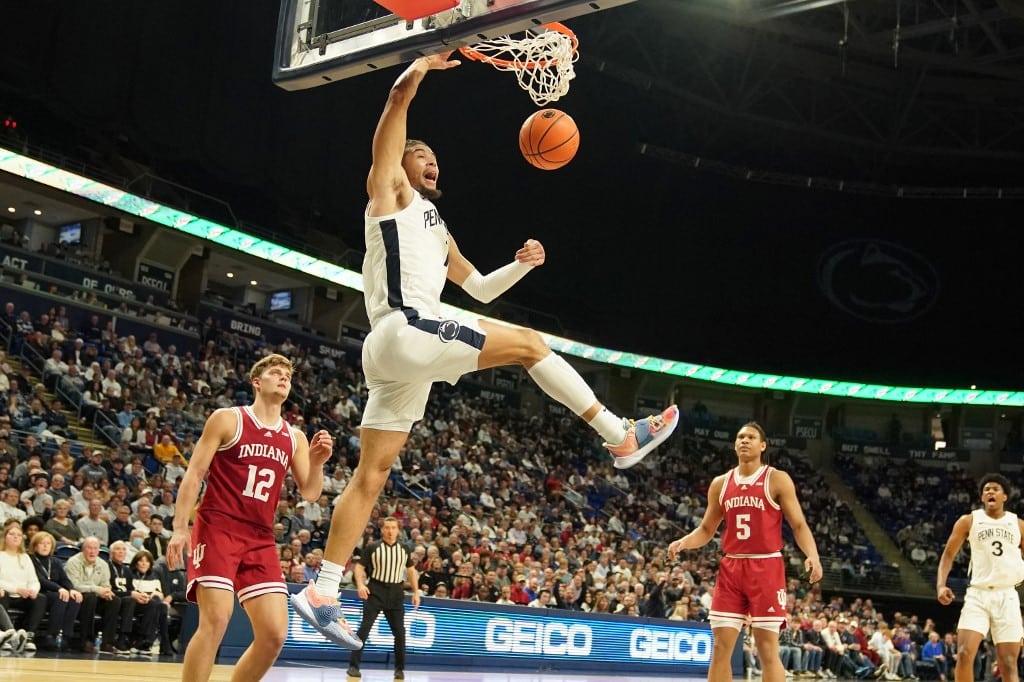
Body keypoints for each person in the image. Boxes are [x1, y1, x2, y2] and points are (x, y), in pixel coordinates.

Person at [291, 50, 679, 648]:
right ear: (403, 163)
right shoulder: (388, 191)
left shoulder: (438, 228)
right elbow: (395, 102)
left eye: (433, 158)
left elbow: (476, 288)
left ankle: (322, 588)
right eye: (421, 154)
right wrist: (420, 66)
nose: (430, 162)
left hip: (399, 347)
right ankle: (620, 436)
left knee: (373, 474)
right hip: (404, 326)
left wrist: (519, 267)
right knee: (530, 344)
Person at [166, 353, 333, 682]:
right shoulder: (228, 419)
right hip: (218, 526)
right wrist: (179, 527)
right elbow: (195, 473)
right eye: (275, 372)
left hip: (260, 536)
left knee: (274, 634)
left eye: (288, 374)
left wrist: (318, 462)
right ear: (257, 382)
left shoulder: (293, 437)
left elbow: (311, 493)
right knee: (216, 618)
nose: (284, 377)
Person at [667, 422, 822, 682]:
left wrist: (813, 555)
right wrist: (683, 542)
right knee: (720, 648)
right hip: (732, 568)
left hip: (766, 567)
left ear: (762, 446)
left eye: (751, 437)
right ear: (734, 444)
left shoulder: (777, 478)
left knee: (767, 649)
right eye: (740, 436)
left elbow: (798, 524)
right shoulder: (720, 483)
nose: (744, 440)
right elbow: (706, 529)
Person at [937, 473, 1024, 682]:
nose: (990, 491)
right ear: (982, 497)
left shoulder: (1019, 524)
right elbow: (948, 555)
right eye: (986, 490)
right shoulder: (969, 520)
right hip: (978, 594)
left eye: (995, 489)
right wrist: (941, 585)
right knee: (965, 653)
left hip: (1007, 596)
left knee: (1009, 663)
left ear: (1005, 496)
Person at [345, 517, 420, 679]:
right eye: (387, 527)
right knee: (364, 629)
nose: (390, 531)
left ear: (398, 530)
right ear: (382, 530)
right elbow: (359, 567)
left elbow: (411, 571)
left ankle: (399, 669)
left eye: (393, 528)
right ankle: (353, 666)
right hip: (376, 590)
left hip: (396, 592)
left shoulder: (405, 548)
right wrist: (360, 585)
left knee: (400, 632)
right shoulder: (373, 547)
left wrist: (416, 592)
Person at [28, 530, 83, 651]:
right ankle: (51, 635)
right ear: (35, 545)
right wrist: (59, 589)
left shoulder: (55, 561)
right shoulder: (30, 559)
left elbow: (64, 579)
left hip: (56, 592)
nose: (45, 546)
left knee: (75, 598)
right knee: (61, 597)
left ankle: (66, 636)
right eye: (42, 543)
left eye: (48, 543)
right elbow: (40, 580)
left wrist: (72, 589)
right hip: (39, 592)